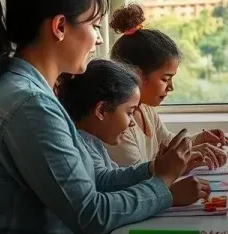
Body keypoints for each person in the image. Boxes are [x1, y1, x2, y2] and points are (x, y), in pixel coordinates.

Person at [0, 0, 201, 234]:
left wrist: (154, 169)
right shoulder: (29, 104)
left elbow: (94, 181)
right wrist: (164, 185)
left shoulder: (32, 91)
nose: (99, 39)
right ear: (60, 27)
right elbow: (91, 215)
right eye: (93, 25)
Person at [56, 58, 212, 196]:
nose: (132, 122)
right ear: (101, 110)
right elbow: (105, 185)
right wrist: (167, 193)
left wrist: (156, 167)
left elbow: (110, 178)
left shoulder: (92, 142)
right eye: (129, 112)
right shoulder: (80, 145)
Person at [106, 3, 228, 168]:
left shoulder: (145, 108)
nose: (170, 87)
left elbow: (167, 143)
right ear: (137, 75)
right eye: (165, 79)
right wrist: (185, 164)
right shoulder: (119, 122)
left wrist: (200, 140)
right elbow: (137, 175)